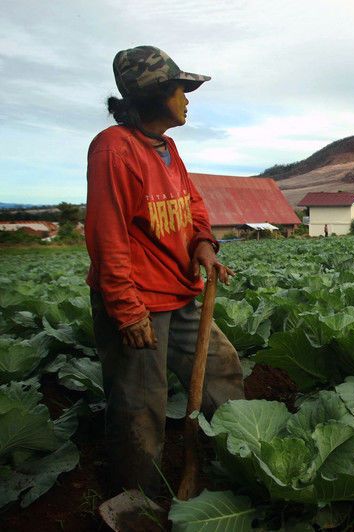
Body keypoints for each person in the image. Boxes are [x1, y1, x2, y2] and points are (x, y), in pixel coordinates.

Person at [85, 46, 245, 498]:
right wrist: (126, 310)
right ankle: (137, 498)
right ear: (156, 95)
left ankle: (238, 456)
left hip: (179, 294)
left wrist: (202, 245)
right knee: (141, 405)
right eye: (181, 90)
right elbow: (108, 234)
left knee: (222, 367)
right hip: (138, 303)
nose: (188, 99)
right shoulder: (114, 150)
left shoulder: (167, 147)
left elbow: (193, 205)